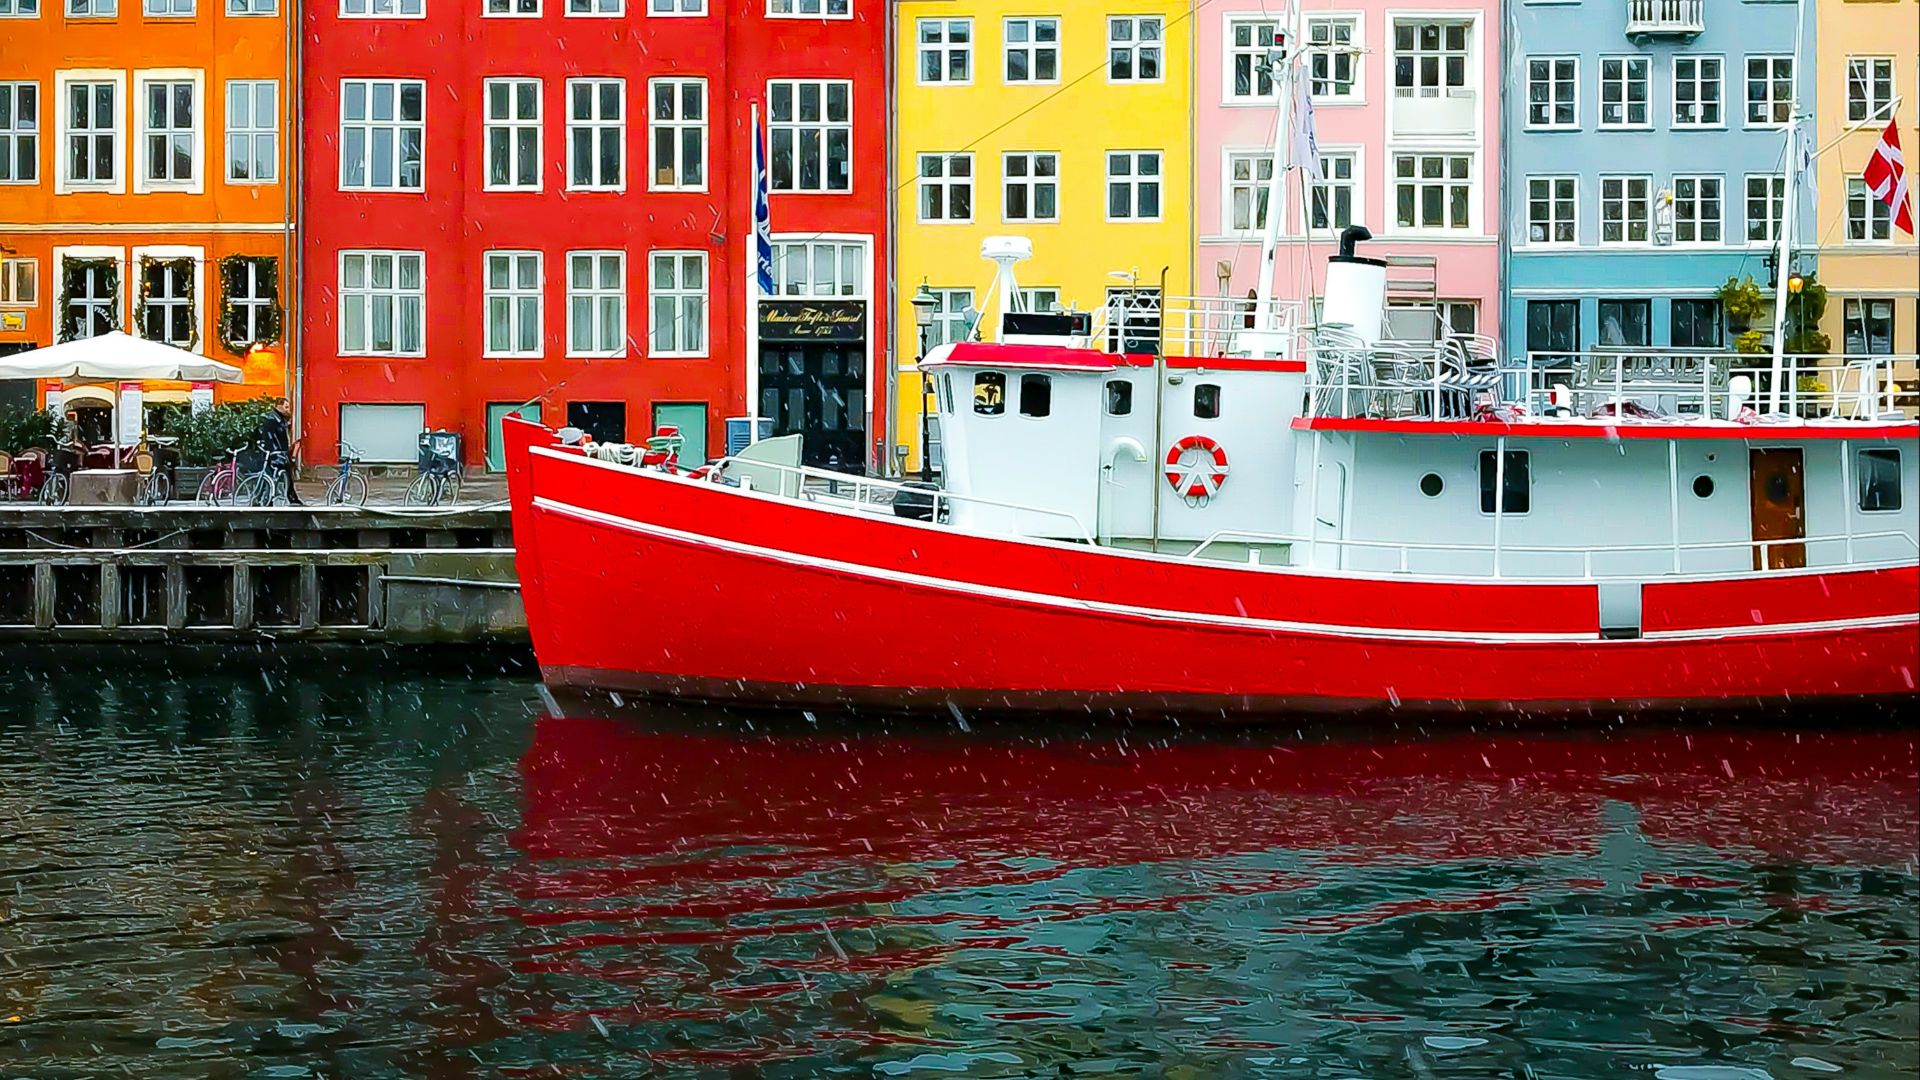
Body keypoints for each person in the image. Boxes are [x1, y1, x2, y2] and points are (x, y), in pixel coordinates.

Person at [254, 397, 303, 505]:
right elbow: (270, 438)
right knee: (272, 477)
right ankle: (264, 499)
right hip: (275, 454)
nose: (288, 410)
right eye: (286, 407)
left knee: (283, 476)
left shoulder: (279, 419)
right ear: (278, 406)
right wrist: (276, 452)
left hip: (279, 453)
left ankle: (288, 498)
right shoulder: (272, 420)